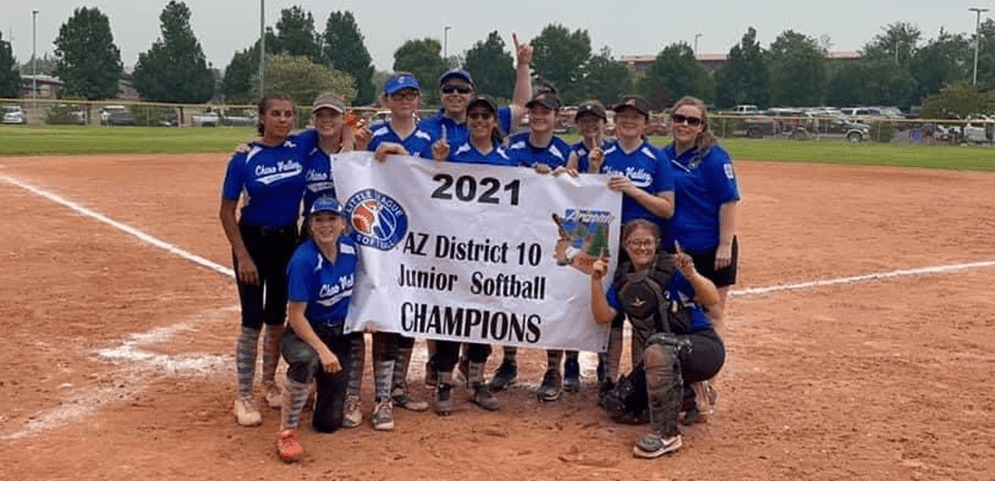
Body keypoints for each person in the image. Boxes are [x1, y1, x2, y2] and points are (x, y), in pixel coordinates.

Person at [219, 92, 318, 427]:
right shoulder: (245, 157)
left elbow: (338, 131)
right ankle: (243, 394)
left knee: (277, 316)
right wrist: (243, 256)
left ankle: (268, 382)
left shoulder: (300, 146)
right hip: (253, 241)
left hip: (287, 240)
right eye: (275, 114)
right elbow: (226, 211)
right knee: (252, 318)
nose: (283, 120)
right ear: (262, 118)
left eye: (289, 114)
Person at [343, 73, 434, 426]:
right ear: (386, 100)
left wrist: (407, 156)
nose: (405, 101)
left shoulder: (427, 137)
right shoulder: (374, 135)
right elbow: (352, 174)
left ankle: (393, 389)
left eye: (411, 95)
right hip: (375, 232)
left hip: (413, 237)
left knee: (403, 310)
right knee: (362, 309)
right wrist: (360, 145)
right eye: (399, 96)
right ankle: (353, 393)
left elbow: (433, 181)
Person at [590, 219, 724, 458]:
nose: (642, 248)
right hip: (661, 356)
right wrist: (596, 280)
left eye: (647, 243)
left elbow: (712, 299)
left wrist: (691, 274)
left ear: (657, 244)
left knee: (657, 348)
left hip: (701, 347)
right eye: (635, 243)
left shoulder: (672, 268)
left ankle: (666, 434)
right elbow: (603, 316)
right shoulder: (623, 280)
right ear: (625, 245)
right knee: (617, 405)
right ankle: (690, 396)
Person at [491, 88, 577, 401]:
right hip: (513, 234)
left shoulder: (565, 150)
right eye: (535, 111)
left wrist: (561, 177)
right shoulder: (511, 144)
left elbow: (576, 196)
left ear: (557, 116)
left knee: (553, 298)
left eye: (546, 112)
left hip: (549, 235)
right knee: (512, 294)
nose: (539, 117)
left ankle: (553, 367)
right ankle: (509, 361)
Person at [429, 95, 513, 415]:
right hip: (457, 250)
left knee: (485, 316)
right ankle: (444, 384)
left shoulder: (507, 160)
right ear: (467, 121)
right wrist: (438, 165)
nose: (479, 121)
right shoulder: (455, 156)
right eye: (473, 116)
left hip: (493, 253)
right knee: (453, 316)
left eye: (485, 116)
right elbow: (432, 194)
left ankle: (477, 381)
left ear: (494, 122)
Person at [597, 95, 676, 390]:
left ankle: (640, 379)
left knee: (643, 317)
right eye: (622, 116)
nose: (628, 121)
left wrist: (633, 191)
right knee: (611, 320)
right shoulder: (602, 154)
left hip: (642, 250)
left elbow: (667, 208)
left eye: (635, 117)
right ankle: (609, 378)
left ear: (645, 123)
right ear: (615, 122)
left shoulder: (657, 158)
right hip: (609, 245)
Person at [276, 197, 361, 462]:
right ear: (310, 226)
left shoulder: (350, 250)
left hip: (339, 334)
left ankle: (309, 390)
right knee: (306, 361)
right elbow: (296, 316)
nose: (326, 226)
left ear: (343, 224)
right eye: (319, 220)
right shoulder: (304, 260)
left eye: (332, 219)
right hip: (305, 332)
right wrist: (323, 351)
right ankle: (287, 430)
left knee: (328, 424)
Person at [418, 34, 532, 149]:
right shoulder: (426, 127)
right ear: (440, 94)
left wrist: (523, 65)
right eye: (448, 89)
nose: (455, 94)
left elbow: (522, 106)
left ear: (471, 94)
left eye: (463, 90)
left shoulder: (486, 119)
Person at [567, 100, 610, 174]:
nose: (590, 124)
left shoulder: (612, 150)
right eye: (584, 121)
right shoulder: (572, 152)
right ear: (577, 125)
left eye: (595, 120)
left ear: (604, 123)